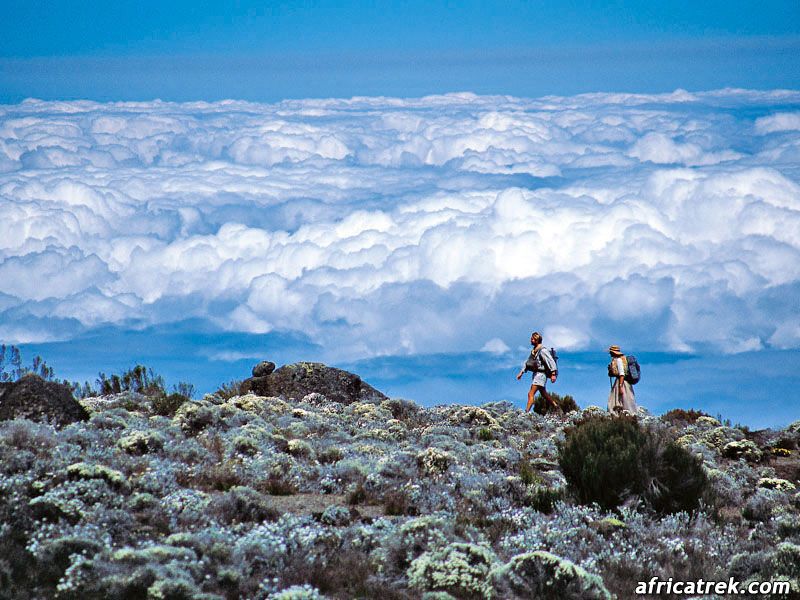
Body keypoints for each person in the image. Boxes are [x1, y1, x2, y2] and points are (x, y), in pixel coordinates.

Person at [516, 331, 559, 414]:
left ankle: (526, 413)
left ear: (536, 340)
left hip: (540, 375)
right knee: (544, 394)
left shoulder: (543, 350)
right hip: (537, 375)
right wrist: (521, 372)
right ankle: (555, 406)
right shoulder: (534, 351)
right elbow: (528, 362)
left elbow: (550, 361)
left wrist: (553, 374)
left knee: (530, 394)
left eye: (532, 339)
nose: (531, 340)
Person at [607, 344, 637, 415]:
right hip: (622, 381)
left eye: (610, 352)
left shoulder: (619, 360)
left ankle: (621, 415)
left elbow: (621, 374)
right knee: (625, 399)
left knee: (622, 400)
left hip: (621, 382)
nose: (610, 354)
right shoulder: (618, 360)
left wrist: (620, 386)